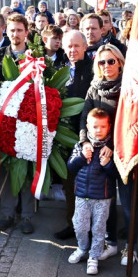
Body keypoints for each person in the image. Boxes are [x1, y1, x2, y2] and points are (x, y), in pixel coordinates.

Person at [79, 44, 126, 257]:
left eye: (111, 61)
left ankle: (126, 245)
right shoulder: (94, 86)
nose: (106, 65)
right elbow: (84, 117)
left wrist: (112, 146)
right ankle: (107, 241)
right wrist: (84, 142)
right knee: (103, 197)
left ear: (119, 62)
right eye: (101, 62)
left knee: (124, 200)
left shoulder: (127, 86)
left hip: (120, 150)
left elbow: (127, 122)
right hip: (96, 150)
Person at [54, 30, 96, 242]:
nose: (72, 50)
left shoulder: (93, 70)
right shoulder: (60, 70)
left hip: (89, 135)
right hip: (64, 135)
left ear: (85, 46)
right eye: (68, 46)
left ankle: (94, 230)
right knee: (69, 183)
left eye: (76, 46)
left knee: (89, 185)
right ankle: (73, 223)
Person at [67, 108, 116, 275]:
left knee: (99, 228)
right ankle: (82, 248)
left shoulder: (110, 149)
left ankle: (94, 257)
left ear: (109, 127)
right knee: (80, 225)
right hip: (82, 195)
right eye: (95, 126)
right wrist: (81, 157)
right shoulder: (81, 146)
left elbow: (116, 174)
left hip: (102, 198)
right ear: (87, 127)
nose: (99, 130)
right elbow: (71, 166)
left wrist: (108, 163)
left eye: (102, 126)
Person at [0, 13, 32, 87]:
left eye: (19, 30)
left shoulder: (35, 55)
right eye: (12, 30)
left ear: (26, 33)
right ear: (7, 32)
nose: (15, 34)